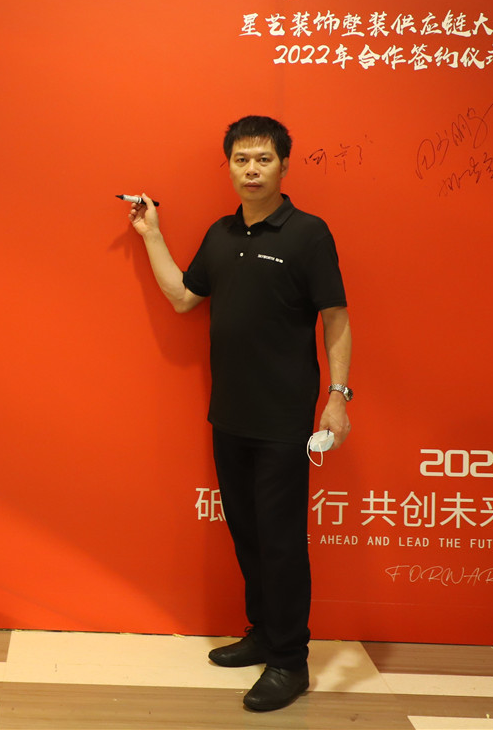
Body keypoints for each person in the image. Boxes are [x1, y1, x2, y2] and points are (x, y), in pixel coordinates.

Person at [127, 114, 352, 714]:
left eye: (263, 159)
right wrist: (151, 235)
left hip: (284, 419)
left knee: (281, 544)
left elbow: (336, 317)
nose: (252, 170)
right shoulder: (222, 234)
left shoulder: (308, 234)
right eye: (241, 160)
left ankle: (290, 661)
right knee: (248, 534)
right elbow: (183, 297)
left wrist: (338, 396)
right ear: (228, 166)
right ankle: (263, 633)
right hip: (228, 415)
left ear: (283, 165)